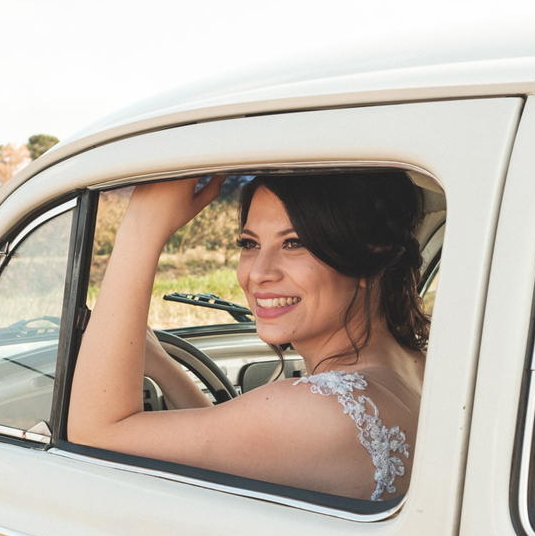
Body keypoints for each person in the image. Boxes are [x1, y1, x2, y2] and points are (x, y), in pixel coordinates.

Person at [67, 172, 428, 501]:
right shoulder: (420, 367)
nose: (258, 273)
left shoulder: (318, 412)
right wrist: (163, 365)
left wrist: (142, 226)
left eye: (294, 243)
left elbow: (96, 432)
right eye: (249, 243)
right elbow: (232, 444)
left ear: (369, 257)